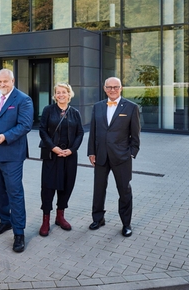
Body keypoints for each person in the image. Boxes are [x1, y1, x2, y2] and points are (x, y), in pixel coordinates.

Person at [0, 69, 33, 252]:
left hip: (11, 153)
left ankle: (19, 233)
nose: (2, 85)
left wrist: (6, 136)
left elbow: (25, 125)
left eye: (5, 81)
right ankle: (5, 220)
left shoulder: (23, 99)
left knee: (14, 192)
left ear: (13, 80)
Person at [87, 77, 141, 237]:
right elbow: (93, 132)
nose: (112, 90)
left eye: (115, 87)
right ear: (104, 88)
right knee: (98, 189)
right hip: (101, 156)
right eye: (109, 87)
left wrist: (131, 152)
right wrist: (91, 152)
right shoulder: (97, 107)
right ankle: (98, 218)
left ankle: (126, 223)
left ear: (121, 88)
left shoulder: (131, 107)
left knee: (124, 191)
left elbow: (135, 134)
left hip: (122, 157)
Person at [37, 83, 84, 237]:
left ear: (69, 94)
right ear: (55, 95)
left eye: (64, 92)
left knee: (66, 186)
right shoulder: (48, 110)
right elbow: (42, 130)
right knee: (48, 187)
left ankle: (60, 216)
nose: (61, 95)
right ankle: (45, 219)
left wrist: (71, 150)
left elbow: (80, 133)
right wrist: (53, 147)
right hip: (52, 155)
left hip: (69, 156)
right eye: (58, 92)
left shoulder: (75, 113)